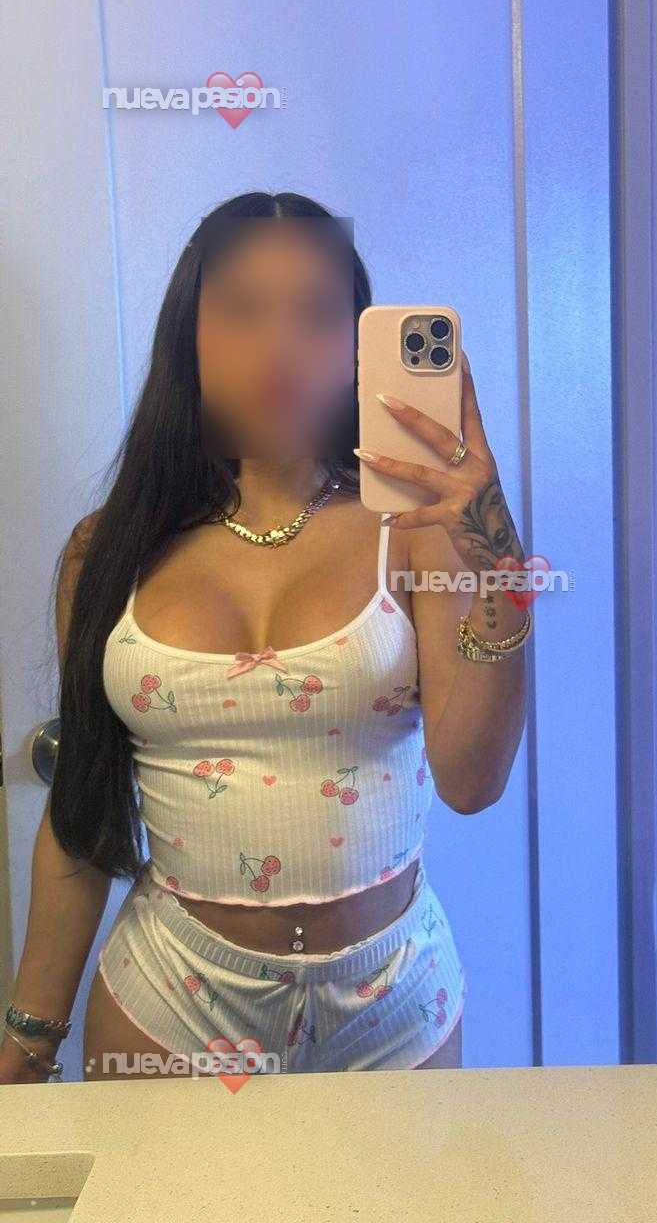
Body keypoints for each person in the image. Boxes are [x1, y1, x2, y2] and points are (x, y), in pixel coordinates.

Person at [1, 192, 530, 1083]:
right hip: (172, 997)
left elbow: (473, 782)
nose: (280, 345)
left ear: (358, 346)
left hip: (393, 999)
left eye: (318, 314)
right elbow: (85, 813)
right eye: (243, 309)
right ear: (190, 336)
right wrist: (27, 1038)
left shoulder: (416, 533)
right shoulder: (108, 550)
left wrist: (496, 552)